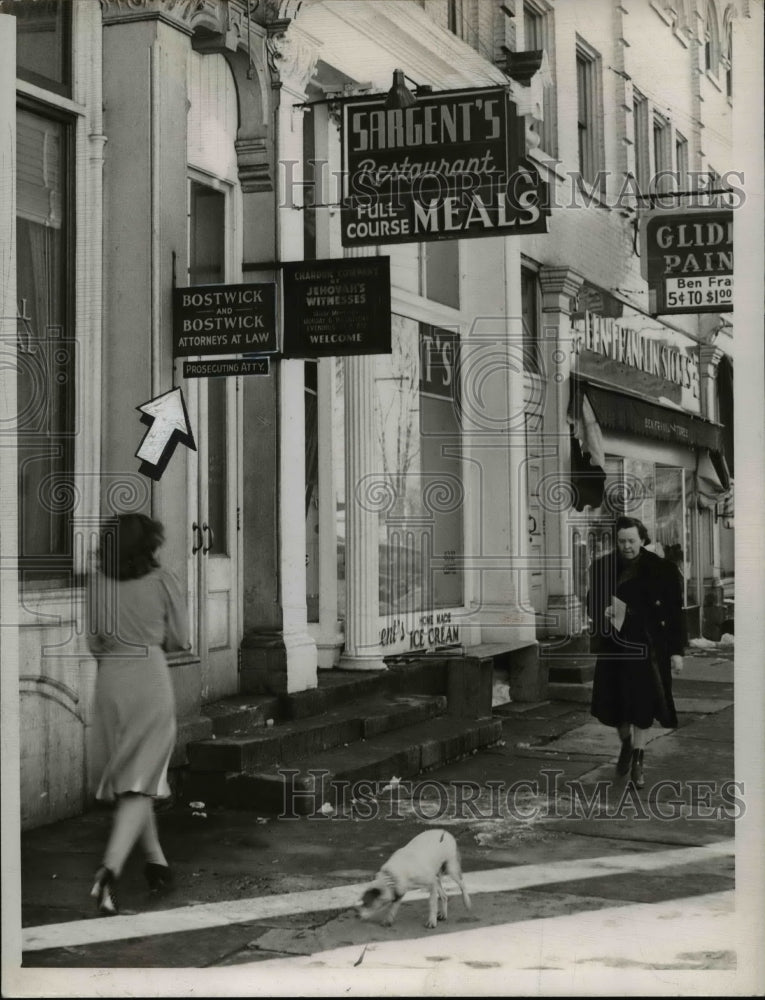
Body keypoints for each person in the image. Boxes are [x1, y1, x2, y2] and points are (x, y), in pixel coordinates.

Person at [87, 513, 189, 915]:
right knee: (139, 783)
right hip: (149, 678)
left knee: (136, 777)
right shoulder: (163, 580)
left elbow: (93, 640)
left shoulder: (96, 582)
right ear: (149, 545)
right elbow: (180, 639)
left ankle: (156, 863)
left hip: (111, 680)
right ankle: (108, 871)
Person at [587, 515, 685, 789]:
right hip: (614, 647)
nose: (626, 546)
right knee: (616, 708)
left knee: (643, 706)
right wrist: (601, 612)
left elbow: (674, 614)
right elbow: (590, 602)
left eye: (631, 541)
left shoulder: (661, 569)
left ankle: (639, 760)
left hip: (648, 648)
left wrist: (677, 652)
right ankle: (627, 743)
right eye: (621, 541)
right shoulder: (602, 567)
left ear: (642, 540)